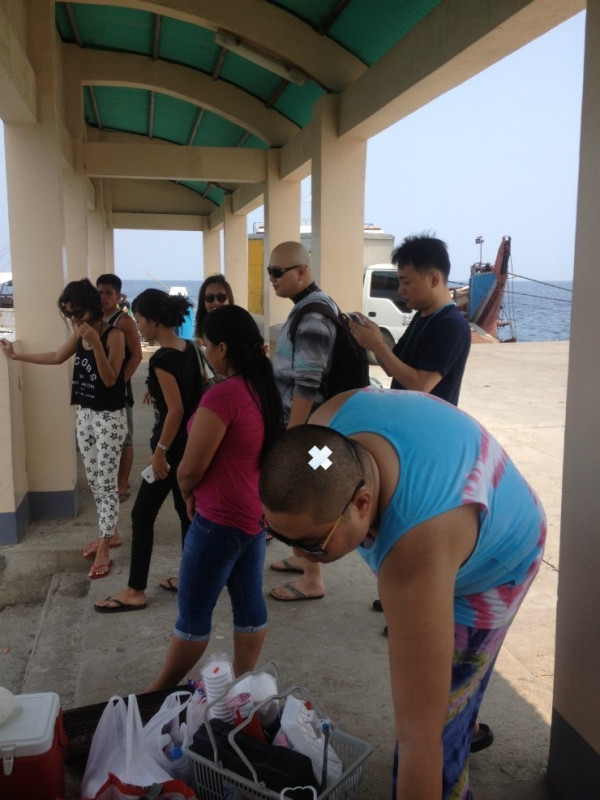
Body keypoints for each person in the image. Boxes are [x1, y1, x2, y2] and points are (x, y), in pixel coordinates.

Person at [259, 388, 546, 800]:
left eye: (312, 543)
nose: (299, 554)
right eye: (278, 534)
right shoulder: (323, 439)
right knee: (444, 690)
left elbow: (418, 739)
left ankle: (460, 728)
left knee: (436, 729)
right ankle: (464, 709)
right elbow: (311, 467)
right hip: (459, 506)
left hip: (500, 562)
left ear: (362, 503)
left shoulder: (413, 556)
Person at [146, 305, 283, 688]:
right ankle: (241, 684)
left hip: (218, 521)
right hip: (252, 519)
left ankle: (156, 694)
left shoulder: (223, 397)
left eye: (206, 345)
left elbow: (190, 468)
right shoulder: (263, 390)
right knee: (249, 604)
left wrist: (187, 492)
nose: (204, 352)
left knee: (193, 615)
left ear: (223, 348)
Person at [349, 234, 472, 628]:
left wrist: (378, 346)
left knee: (418, 529)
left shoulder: (450, 326)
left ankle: (412, 608)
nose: (400, 290)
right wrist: (373, 338)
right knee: (398, 522)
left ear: (434, 278)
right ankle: (399, 594)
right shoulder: (423, 318)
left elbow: (421, 383)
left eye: (406, 282)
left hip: (429, 443)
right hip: (408, 438)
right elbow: (397, 365)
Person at [0, 279, 127, 579]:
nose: (74, 319)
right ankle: (111, 533)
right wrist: (16, 356)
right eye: (69, 313)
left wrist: (96, 343)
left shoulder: (115, 335)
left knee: (107, 483)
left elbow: (110, 379)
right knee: (94, 481)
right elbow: (57, 357)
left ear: (92, 308)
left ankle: (105, 546)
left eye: (78, 312)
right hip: (85, 414)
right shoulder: (78, 334)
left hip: (109, 417)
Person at [94, 289, 207, 613]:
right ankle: (191, 579)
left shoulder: (161, 359)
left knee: (142, 516)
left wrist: (159, 453)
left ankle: (135, 590)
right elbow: (192, 392)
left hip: (171, 453)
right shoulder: (189, 348)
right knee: (186, 515)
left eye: (141, 320)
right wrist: (155, 392)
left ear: (155, 321)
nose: (139, 327)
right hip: (191, 446)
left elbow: (176, 410)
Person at [266, 241, 339, 602]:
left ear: (302, 271)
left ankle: (313, 579)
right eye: (270, 273)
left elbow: (307, 384)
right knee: (302, 497)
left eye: (278, 272)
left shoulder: (312, 318)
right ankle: (302, 559)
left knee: (307, 502)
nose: (273, 279)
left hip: (311, 433)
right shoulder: (308, 308)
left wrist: (293, 438)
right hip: (309, 428)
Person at [95, 274, 142, 511]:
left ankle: (122, 485)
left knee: (125, 438)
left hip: (119, 388)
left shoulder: (124, 322)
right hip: (98, 388)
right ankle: (110, 481)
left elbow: (137, 355)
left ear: (118, 296)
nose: (103, 297)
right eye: (100, 292)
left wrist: (120, 383)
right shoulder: (95, 319)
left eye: (108, 293)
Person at [194, 274, 234, 343]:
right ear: (203, 302)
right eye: (210, 298)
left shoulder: (240, 328)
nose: (216, 302)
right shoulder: (204, 331)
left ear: (229, 300)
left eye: (221, 297)